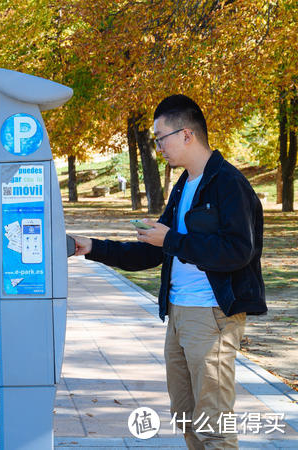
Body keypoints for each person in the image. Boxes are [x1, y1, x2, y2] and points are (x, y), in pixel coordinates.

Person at [71, 94, 266, 450]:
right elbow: (153, 251)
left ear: (187, 134)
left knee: (213, 424)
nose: (158, 146)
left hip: (212, 316)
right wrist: (94, 246)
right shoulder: (183, 185)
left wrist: (173, 240)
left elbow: (239, 252)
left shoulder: (228, 183)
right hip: (179, 314)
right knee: (186, 416)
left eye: (162, 137)